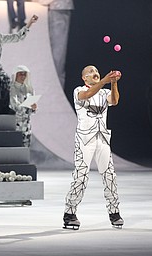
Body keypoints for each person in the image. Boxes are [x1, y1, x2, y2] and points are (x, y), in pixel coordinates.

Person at [63, 65, 124, 229]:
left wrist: (113, 83)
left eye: (96, 71)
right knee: (81, 176)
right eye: (91, 72)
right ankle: (69, 213)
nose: (95, 73)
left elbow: (115, 100)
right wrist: (104, 80)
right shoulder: (78, 90)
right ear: (84, 78)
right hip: (85, 140)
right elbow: (88, 94)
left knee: (109, 176)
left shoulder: (104, 92)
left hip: (102, 138)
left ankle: (114, 212)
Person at [9, 65, 37, 147]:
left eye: (25, 74)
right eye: (21, 74)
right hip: (15, 123)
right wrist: (26, 106)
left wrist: (33, 107)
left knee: (26, 147)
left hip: (26, 124)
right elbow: (14, 104)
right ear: (16, 75)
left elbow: (32, 110)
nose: (23, 76)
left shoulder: (29, 89)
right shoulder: (12, 88)